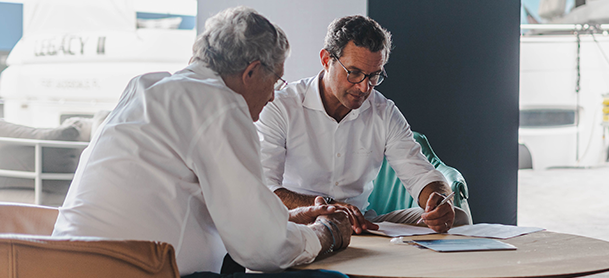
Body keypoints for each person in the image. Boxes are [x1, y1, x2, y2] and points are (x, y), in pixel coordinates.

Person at [52, 6, 351, 278]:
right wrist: (325, 234)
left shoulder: (145, 88)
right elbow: (261, 248)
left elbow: (189, 200)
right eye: (275, 81)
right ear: (251, 72)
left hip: (61, 264)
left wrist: (286, 219)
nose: (273, 95)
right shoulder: (220, 105)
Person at [255, 15, 470, 235]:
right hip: (300, 222)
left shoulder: (384, 111)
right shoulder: (280, 106)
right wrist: (326, 206)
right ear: (326, 60)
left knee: (457, 218)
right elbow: (265, 189)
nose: (364, 87)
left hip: (361, 224)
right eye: (354, 73)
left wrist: (439, 200)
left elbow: (421, 175)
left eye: (374, 76)